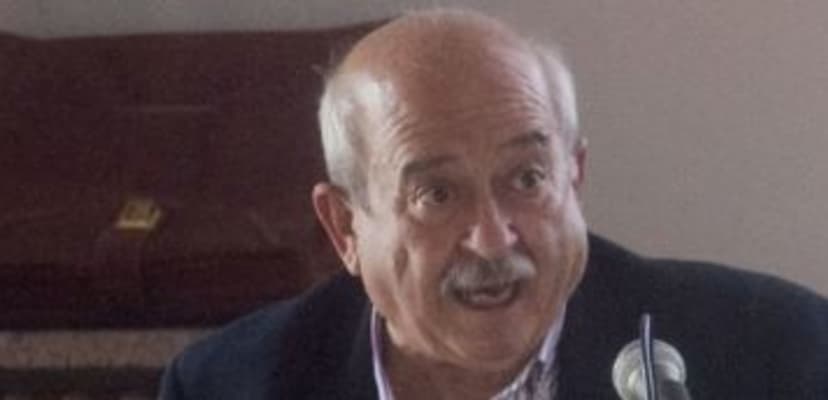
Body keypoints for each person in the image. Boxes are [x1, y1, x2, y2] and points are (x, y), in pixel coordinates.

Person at [159, 9, 828, 399]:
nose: (492, 238)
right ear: (344, 228)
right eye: (437, 194)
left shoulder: (776, 353)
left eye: (527, 179)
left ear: (574, 177)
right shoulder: (232, 385)